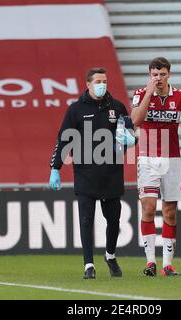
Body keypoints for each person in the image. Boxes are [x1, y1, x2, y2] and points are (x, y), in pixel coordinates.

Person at [49, 67, 136, 279]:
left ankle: (110, 255)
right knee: (86, 220)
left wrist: (132, 139)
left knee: (114, 220)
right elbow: (64, 140)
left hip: (112, 172)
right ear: (88, 84)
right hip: (86, 173)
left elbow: (131, 132)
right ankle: (88, 264)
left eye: (104, 80)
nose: (102, 84)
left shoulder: (117, 107)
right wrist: (55, 168)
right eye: (98, 81)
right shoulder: (76, 110)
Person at [130, 57, 181, 277]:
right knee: (149, 208)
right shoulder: (141, 94)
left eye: (162, 74)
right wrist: (149, 94)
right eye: (154, 74)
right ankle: (150, 261)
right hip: (147, 158)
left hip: (172, 160)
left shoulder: (180, 96)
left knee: (170, 213)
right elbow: (135, 120)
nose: (158, 78)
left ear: (169, 74)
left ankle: (167, 264)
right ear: (149, 75)